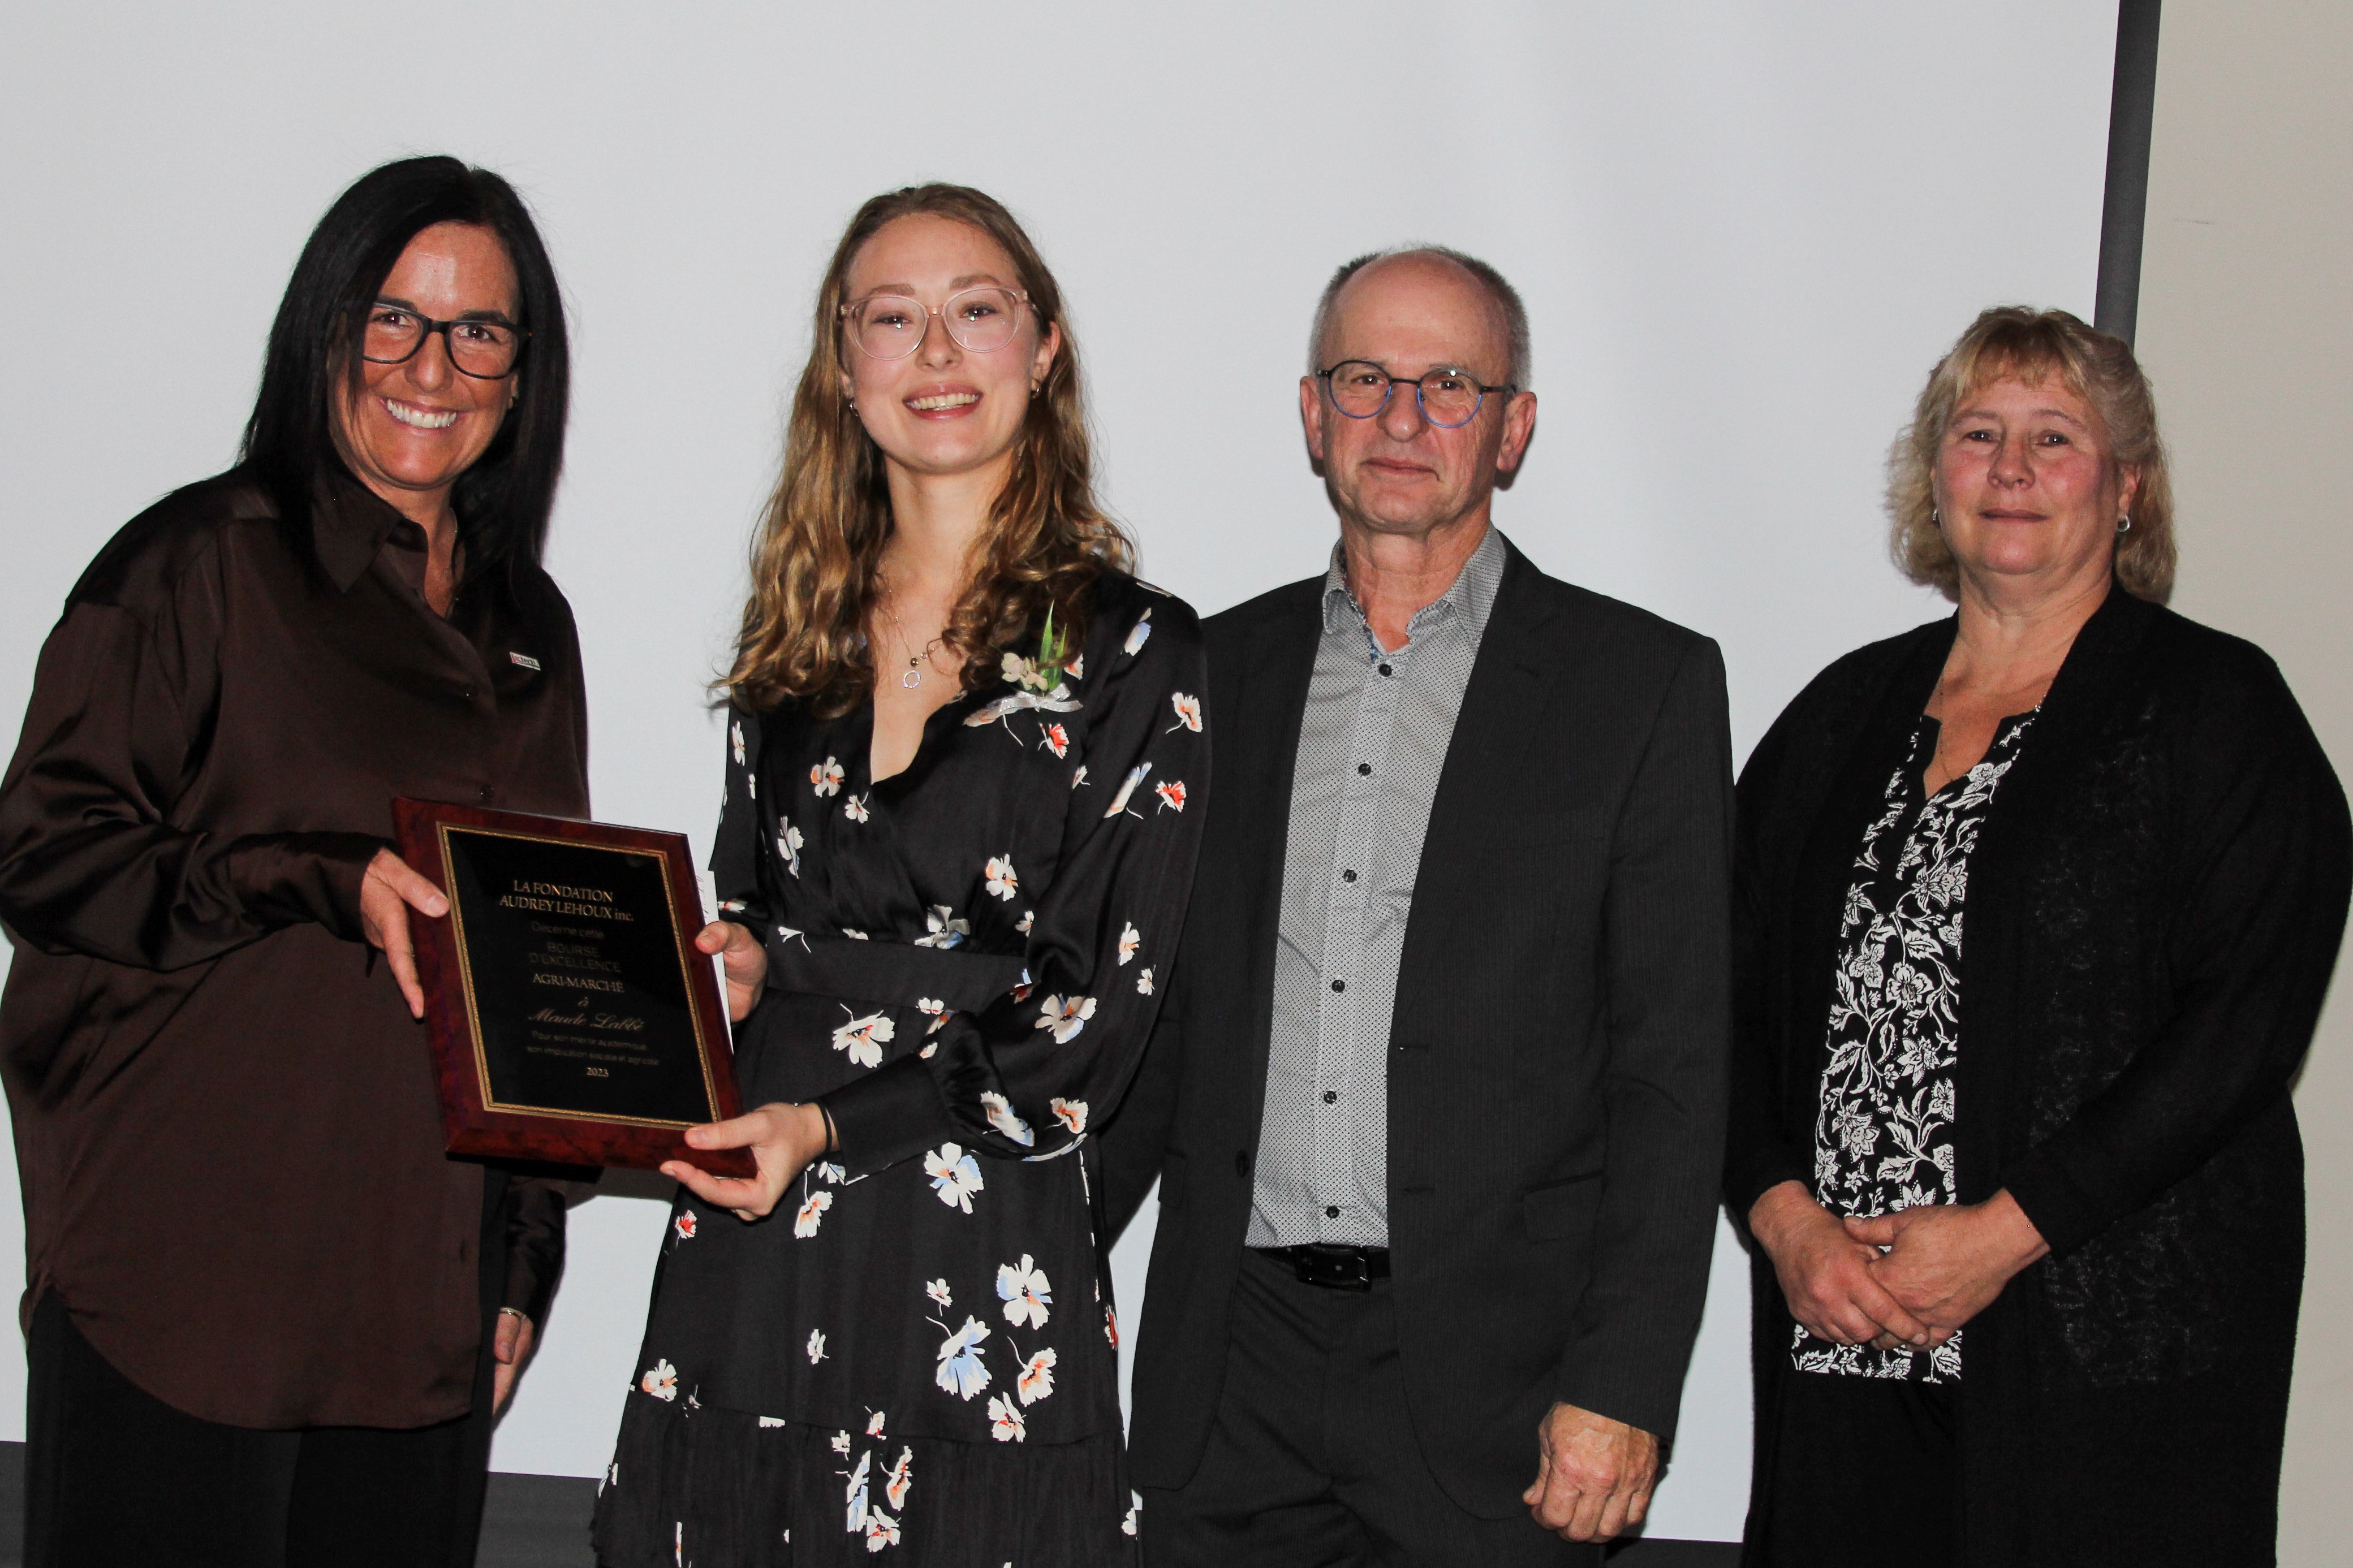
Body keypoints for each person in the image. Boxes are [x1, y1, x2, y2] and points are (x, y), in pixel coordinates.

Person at [589, 184, 1206, 1567]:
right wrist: (737, 962)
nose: (936, 354)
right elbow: (754, 909)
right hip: (758, 1225)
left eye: (974, 311)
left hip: (976, 1230)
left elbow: (1096, 1013)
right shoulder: (793, 630)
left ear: (1040, 351)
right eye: (893, 319)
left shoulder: (1130, 650)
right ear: (845, 368)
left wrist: (832, 1123)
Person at [1103, 246, 1733, 1565]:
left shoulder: (1642, 687)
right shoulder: (1210, 673)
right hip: (1232, 1377)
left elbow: (1672, 1076)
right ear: (1310, 409)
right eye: (1365, 378)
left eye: (1450, 383)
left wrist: (1623, 1383)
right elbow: (1146, 1026)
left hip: (1499, 1393)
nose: (1401, 418)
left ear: (1514, 429)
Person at [0, 155, 584, 1566]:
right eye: (388, 318)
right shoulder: (198, 561)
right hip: (180, 1287)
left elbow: (540, 966)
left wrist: (519, 1259)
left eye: (477, 331)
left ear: (521, 374)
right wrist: (316, 874)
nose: (429, 366)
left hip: (415, 1307)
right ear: (322, 330)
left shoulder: (531, 625)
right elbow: (43, 852)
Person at [1726, 305, 2351, 1566]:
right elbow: (1708, 993)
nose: (2010, 469)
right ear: (1933, 477)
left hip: (2104, 1344)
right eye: (1978, 434)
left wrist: (2006, 1232)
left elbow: (2241, 1028)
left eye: (2054, 438)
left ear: (2126, 490)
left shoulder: (2217, 710)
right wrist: (1784, 1218)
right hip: (1842, 1332)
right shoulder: (1841, 714)